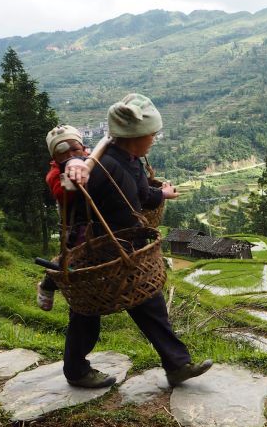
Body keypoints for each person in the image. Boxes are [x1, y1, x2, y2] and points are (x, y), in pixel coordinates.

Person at [63, 93, 212, 388]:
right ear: (134, 136)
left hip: (128, 249)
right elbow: (75, 173)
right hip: (100, 251)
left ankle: (177, 365)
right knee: (86, 314)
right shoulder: (103, 165)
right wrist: (76, 164)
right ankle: (76, 371)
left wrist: (163, 195)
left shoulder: (131, 161)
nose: (154, 139)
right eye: (151, 134)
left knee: (150, 305)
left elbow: (143, 196)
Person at [37, 125, 91, 311]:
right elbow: (63, 193)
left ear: (83, 148)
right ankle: (47, 284)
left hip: (94, 222)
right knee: (69, 261)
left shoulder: (90, 161)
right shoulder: (54, 175)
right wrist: (72, 171)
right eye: (62, 152)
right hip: (74, 227)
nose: (70, 155)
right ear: (54, 157)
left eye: (75, 149)